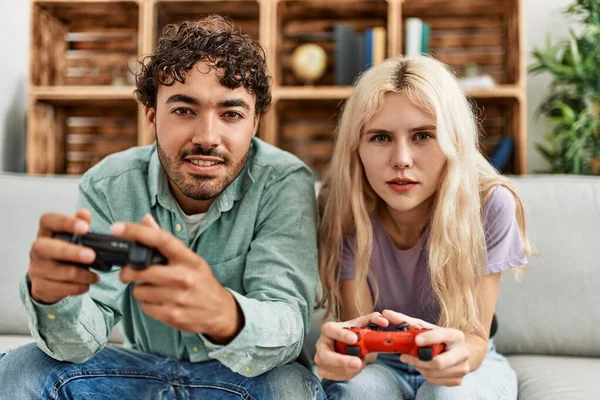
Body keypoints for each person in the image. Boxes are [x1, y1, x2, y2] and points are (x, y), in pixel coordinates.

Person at [0, 16, 324, 400]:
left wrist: (224, 315)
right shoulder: (108, 183)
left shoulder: (283, 181)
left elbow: (288, 324)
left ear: (255, 123)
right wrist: (50, 298)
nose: (207, 137)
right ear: (151, 115)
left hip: (243, 378)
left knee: (288, 387)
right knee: (20, 368)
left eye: (231, 114)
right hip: (141, 371)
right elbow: (78, 344)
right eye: (184, 110)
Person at [313, 55, 531, 400]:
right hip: (383, 365)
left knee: (446, 396)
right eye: (381, 137)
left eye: (423, 135)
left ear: (453, 142)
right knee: (356, 392)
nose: (401, 159)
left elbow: (474, 338)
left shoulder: (490, 204)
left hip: (471, 362)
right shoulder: (342, 207)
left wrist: (457, 357)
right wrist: (346, 355)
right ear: (357, 148)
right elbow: (362, 337)